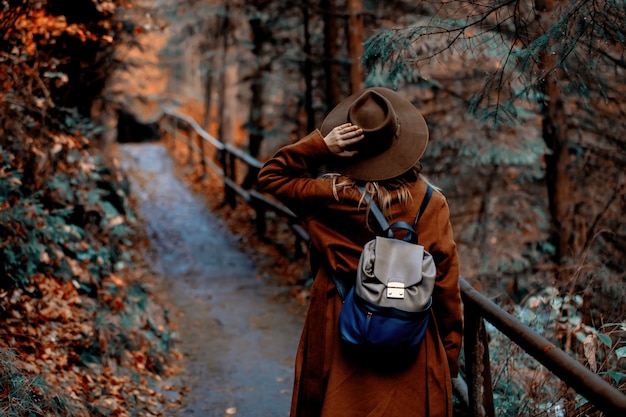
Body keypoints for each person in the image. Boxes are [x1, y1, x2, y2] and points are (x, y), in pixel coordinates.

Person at [257, 87, 463, 417]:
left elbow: (271, 175)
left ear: (352, 146)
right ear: (400, 144)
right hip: (408, 334)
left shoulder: (328, 195)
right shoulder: (429, 203)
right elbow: (445, 286)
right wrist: (447, 356)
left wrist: (320, 146)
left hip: (339, 327)